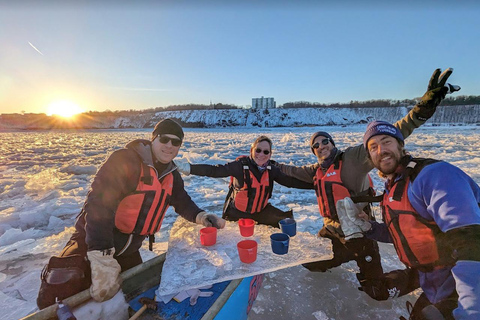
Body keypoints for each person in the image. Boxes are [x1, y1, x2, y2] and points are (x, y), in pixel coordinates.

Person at [272, 68, 460, 281]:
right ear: (314, 151)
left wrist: (421, 110)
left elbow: (393, 131)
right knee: (311, 264)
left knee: (375, 288)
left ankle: (417, 278)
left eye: (326, 141)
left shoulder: (352, 158)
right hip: (333, 230)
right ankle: (341, 255)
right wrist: (269, 163)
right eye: (316, 145)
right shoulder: (316, 171)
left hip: (361, 230)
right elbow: (291, 170)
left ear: (333, 144)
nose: (322, 146)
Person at [36, 118, 226, 309]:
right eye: (165, 139)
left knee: (134, 295)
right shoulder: (125, 160)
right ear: (153, 139)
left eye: (176, 142)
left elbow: (182, 201)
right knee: (63, 292)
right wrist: (101, 257)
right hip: (92, 242)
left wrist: (201, 216)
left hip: (129, 249)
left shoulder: (172, 174)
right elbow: (98, 205)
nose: (170, 146)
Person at [337, 120, 480, 319]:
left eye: (386, 142)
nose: (381, 150)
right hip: (434, 280)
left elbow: (471, 244)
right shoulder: (395, 186)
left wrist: (470, 313)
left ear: (400, 145)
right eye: (373, 147)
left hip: (464, 284)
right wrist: (370, 228)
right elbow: (408, 232)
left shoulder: (434, 176)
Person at [176, 135, 314, 227]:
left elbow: (290, 182)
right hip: (237, 213)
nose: (261, 155)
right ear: (251, 150)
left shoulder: (271, 169)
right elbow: (214, 170)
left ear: (270, 154)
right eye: (258, 150)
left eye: (266, 152)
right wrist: (188, 168)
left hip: (261, 211)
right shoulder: (240, 166)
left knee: (286, 222)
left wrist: (316, 185)